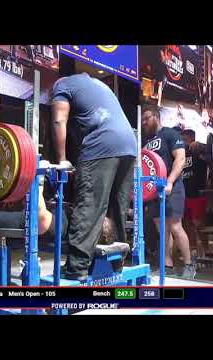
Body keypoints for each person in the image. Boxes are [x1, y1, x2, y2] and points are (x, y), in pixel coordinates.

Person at [51, 72, 137, 281]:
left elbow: (58, 121)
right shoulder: (97, 85)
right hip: (129, 145)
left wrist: (62, 159)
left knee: (89, 205)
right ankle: (116, 263)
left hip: (102, 144)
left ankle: (77, 268)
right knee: (117, 208)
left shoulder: (62, 84)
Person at [141, 105, 195, 279]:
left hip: (173, 187)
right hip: (154, 190)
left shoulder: (170, 134)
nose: (143, 122)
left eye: (146, 118)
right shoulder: (147, 142)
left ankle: (189, 265)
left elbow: (180, 158)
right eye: (142, 120)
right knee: (161, 228)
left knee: (175, 226)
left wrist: (170, 181)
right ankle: (168, 265)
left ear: (156, 117)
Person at [0, 182, 118, 249]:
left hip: (23, 222)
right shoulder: (73, 220)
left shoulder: (63, 225)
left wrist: (38, 181)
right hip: (25, 214)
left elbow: (40, 220)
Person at [181, 129, 209, 259]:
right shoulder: (181, 153)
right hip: (184, 193)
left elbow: (210, 151)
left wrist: (200, 145)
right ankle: (193, 249)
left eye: (185, 139)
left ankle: (206, 250)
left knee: (198, 223)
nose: (183, 141)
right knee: (187, 223)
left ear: (192, 138)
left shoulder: (198, 149)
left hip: (197, 193)